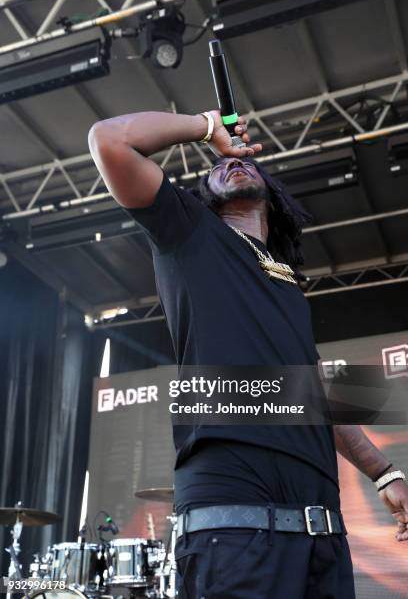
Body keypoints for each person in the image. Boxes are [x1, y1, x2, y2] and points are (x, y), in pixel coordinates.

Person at [88, 109, 408, 598]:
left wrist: (385, 472)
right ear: (203, 199)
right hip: (234, 514)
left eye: (243, 164)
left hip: (321, 524)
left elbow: (315, 389)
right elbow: (108, 139)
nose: (230, 166)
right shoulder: (190, 235)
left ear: (273, 196)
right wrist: (204, 126)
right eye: (214, 168)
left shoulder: (287, 282)